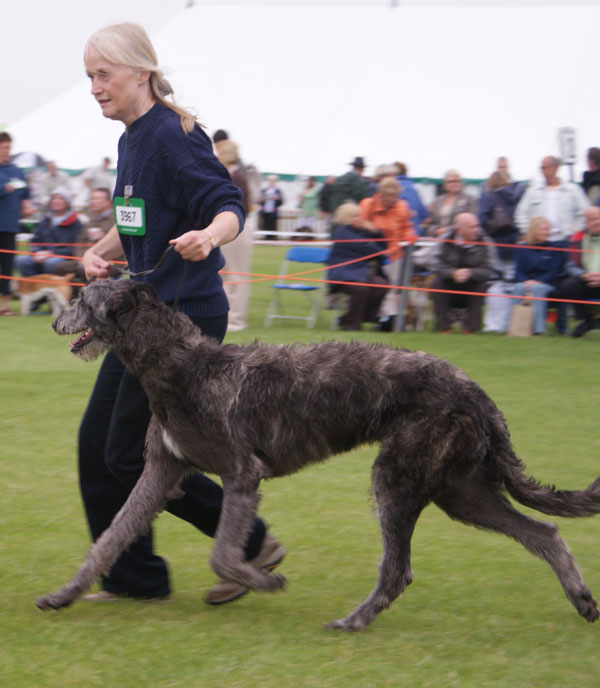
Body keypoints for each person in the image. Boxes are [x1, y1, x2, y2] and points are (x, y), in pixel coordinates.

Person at [78, 22, 285, 605]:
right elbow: (137, 216)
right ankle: (134, 581)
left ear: (140, 73)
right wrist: (102, 249)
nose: (94, 86)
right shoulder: (129, 139)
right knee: (98, 446)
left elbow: (228, 206)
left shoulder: (174, 135)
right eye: (89, 76)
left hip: (184, 323)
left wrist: (209, 237)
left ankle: (247, 541)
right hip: (141, 322)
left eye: (103, 74)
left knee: (130, 452)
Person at [359, 177, 415, 330]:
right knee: (379, 287)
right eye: (390, 196)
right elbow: (359, 225)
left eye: (396, 196)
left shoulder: (402, 207)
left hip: (394, 255)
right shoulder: (367, 205)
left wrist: (410, 235)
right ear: (381, 195)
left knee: (393, 288)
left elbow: (406, 227)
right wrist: (368, 226)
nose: (394, 200)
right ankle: (384, 318)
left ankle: (388, 319)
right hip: (373, 255)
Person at [327, 201, 388, 330]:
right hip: (343, 274)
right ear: (347, 219)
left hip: (359, 273)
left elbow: (382, 248)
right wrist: (372, 233)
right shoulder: (342, 233)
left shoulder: (360, 232)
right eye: (356, 216)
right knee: (360, 288)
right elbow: (375, 251)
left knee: (382, 285)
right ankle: (352, 324)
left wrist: (376, 232)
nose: (361, 219)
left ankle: (360, 317)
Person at [431, 212, 494, 333]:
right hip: (450, 284)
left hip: (472, 285)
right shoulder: (444, 241)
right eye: (472, 227)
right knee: (437, 283)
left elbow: (488, 270)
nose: (477, 230)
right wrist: (452, 273)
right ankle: (445, 327)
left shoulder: (485, 242)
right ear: (459, 230)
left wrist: (470, 273)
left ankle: (470, 329)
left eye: (477, 226)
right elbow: (435, 265)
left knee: (482, 284)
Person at [214, 138, 253, 332]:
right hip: (232, 226)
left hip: (239, 226)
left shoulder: (237, 174)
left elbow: (242, 203)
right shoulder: (235, 172)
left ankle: (237, 319)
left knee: (236, 274)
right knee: (228, 273)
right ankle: (230, 315)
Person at [478, 170, 524, 332]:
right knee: (510, 286)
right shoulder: (517, 196)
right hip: (515, 246)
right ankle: (510, 325)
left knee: (496, 285)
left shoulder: (489, 197)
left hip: (495, 245)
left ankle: (493, 325)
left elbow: (481, 220)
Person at [508, 217, 569, 336]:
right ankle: (514, 327)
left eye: (547, 230)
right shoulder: (521, 248)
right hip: (526, 282)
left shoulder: (555, 248)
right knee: (517, 288)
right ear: (533, 231)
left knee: (537, 289)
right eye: (542, 229)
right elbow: (518, 271)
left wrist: (539, 282)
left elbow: (554, 271)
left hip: (548, 284)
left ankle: (538, 330)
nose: (546, 232)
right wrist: (526, 281)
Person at [0, 132, 35, 315]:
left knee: (7, 267)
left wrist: (28, 205)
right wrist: (4, 189)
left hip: (10, 227)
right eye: (4, 147)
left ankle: (4, 306)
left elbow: (25, 195)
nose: (7, 151)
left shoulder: (17, 171)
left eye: (8, 148)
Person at [515, 156, 588, 241]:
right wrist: (530, 233)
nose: (541, 171)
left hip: (566, 242)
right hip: (540, 243)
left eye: (544, 167)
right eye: (541, 168)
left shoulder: (573, 189)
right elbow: (520, 214)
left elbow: (585, 213)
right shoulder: (532, 191)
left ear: (555, 168)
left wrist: (575, 232)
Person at [53, 187, 120, 281]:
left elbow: (120, 246)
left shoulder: (116, 219)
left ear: (108, 202)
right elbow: (80, 242)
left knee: (88, 271)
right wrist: (83, 258)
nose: (92, 201)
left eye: (96, 199)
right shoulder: (91, 220)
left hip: (109, 263)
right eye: (91, 198)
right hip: (86, 259)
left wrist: (102, 236)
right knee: (59, 267)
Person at [14, 187, 82, 278]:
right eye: (54, 198)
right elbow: (35, 240)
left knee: (50, 263)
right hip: (42, 254)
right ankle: (32, 285)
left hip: (62, 257)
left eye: (60, 198)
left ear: (67, 203)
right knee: (21, 260)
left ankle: (50, 287)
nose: (56, 201)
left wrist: (51, 253)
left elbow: (74, 248)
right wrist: (35, 252)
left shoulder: (75, 223)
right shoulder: (45, 220)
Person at [558, 205, 600, 337]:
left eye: (599, 218)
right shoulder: (577, 239)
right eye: (593, 219)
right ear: (586, 223)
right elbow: (570, 266)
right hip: (587, 281)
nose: (597, 222)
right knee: (568, 284)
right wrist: (583, 275)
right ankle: (588, 319)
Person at [425, 170, 478, 237]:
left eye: (457, 181)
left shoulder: (469, 199)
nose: (455, 183)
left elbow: (472, 222)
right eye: (451, 181)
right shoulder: (438, 200)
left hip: (458, 238)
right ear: (445, 184)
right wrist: (435, 231)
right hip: (439, 240)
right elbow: (431, 221)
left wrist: (448, 230)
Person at [395, 162, 429, 236]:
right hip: (416, 233)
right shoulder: (413, 187)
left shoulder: (394, 187)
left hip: (401, 234)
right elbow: (424, 213)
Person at [259, 175, 284, 240]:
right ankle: (266, 238)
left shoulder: (277, 191)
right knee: (265, 225)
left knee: (272, 225)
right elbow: (259, 201)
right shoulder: (264, 190)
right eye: (270, 180)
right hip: (265, 211)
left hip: (273, 211)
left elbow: (281, 201)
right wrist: (263, 200)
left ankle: (273, 238)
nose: (271, 182)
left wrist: (277, 199)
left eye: (273, 180)